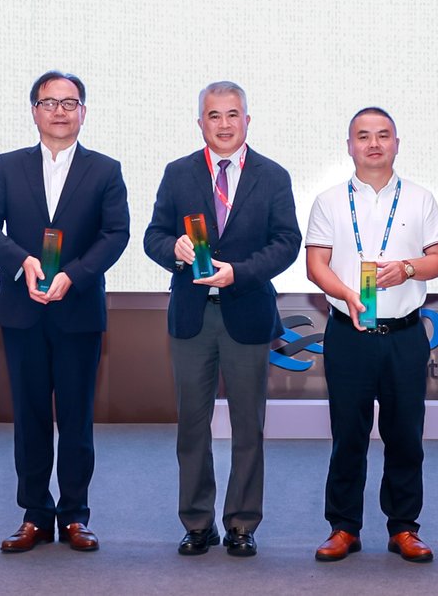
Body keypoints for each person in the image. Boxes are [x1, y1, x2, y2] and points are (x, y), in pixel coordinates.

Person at [0, 70, 131, 553]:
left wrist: (73, 275)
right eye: (49, 102)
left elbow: (116, 234)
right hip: (23, 311)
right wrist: (22, 262)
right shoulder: (8, 166)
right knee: (30, 417)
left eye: (69, 102)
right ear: (34, 111)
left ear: (84, 112)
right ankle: (35, 515)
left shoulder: (105, 170)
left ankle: (75, 515)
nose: (59, 111)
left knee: (77, 419)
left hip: (78, 310)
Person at [142, 81, 302, 557]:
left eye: (233, 114)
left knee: (248, 426)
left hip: (246, 312)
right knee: (192, 426)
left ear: (247, 120)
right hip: (191, 318)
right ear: (201, 123)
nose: (225, 124)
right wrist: (172, 249)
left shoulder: (273, 176)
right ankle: (197, 523)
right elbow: (153, 236)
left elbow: (287, 242)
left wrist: (240, 273)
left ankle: (241, 523)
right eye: (214, 115)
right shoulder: (178, 174)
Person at [304, 107, 438, 565]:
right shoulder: (328, 201)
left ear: (396, 144)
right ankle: (343, 527)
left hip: (403, 335)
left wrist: (406, 268)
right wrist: (346, 293)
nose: (373, 144)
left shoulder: (420, 199)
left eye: (383, 135)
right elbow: (315, 265)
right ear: (349, 146)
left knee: (405, 435)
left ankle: (404, 527)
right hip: (348, 334)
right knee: (348, 435)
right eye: (363, 136)